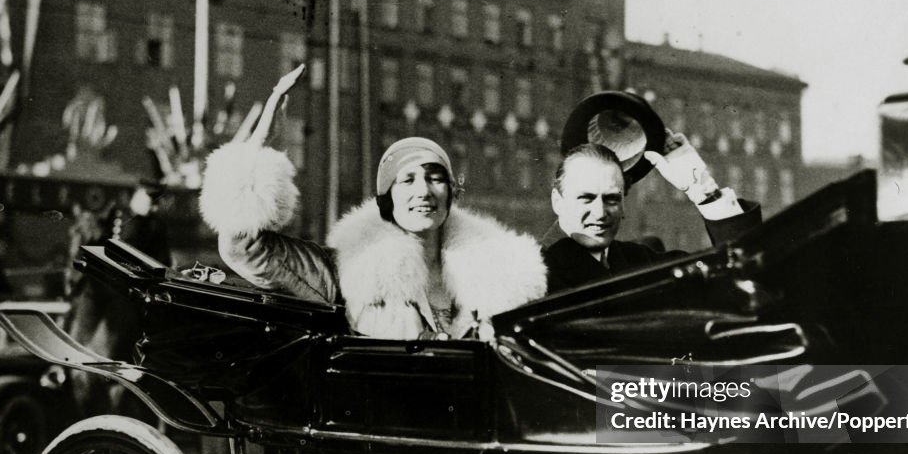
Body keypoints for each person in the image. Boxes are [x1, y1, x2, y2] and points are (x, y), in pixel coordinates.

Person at [199, 136, 547, 339]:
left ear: (451, 193)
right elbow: (243, 245)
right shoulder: (350, 269)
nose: (423, 191)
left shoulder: (499, 278)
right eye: (407, 180)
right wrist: (253, 168)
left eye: (435, 177)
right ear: (387, 198)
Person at [542, 136, 761, 292]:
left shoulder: (640, 261)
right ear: (557, 201)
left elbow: (742, 273)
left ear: (624, 205)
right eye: (586, 198)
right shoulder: (533, 275)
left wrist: (704, 190)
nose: (600, 213)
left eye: (612, 199)